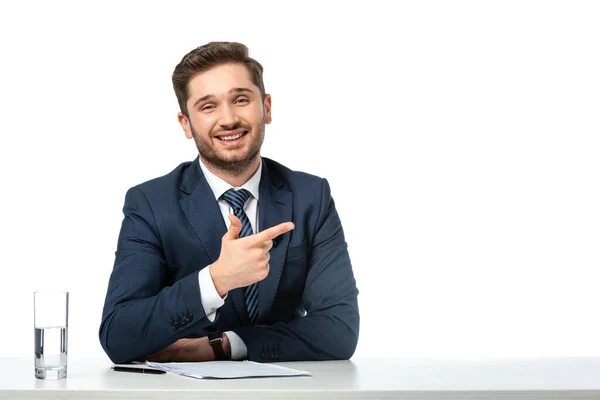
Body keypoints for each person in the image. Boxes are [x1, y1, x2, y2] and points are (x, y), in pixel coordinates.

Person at [99, 42, 359, 364]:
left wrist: (224, 345)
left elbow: (340, 331)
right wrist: (216, 280)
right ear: (185, 123)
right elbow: (118, 334)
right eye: (208, 107)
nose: (229, 119)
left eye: (240, 100)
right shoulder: (151, 204)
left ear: (266, 107)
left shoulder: (311, 197)